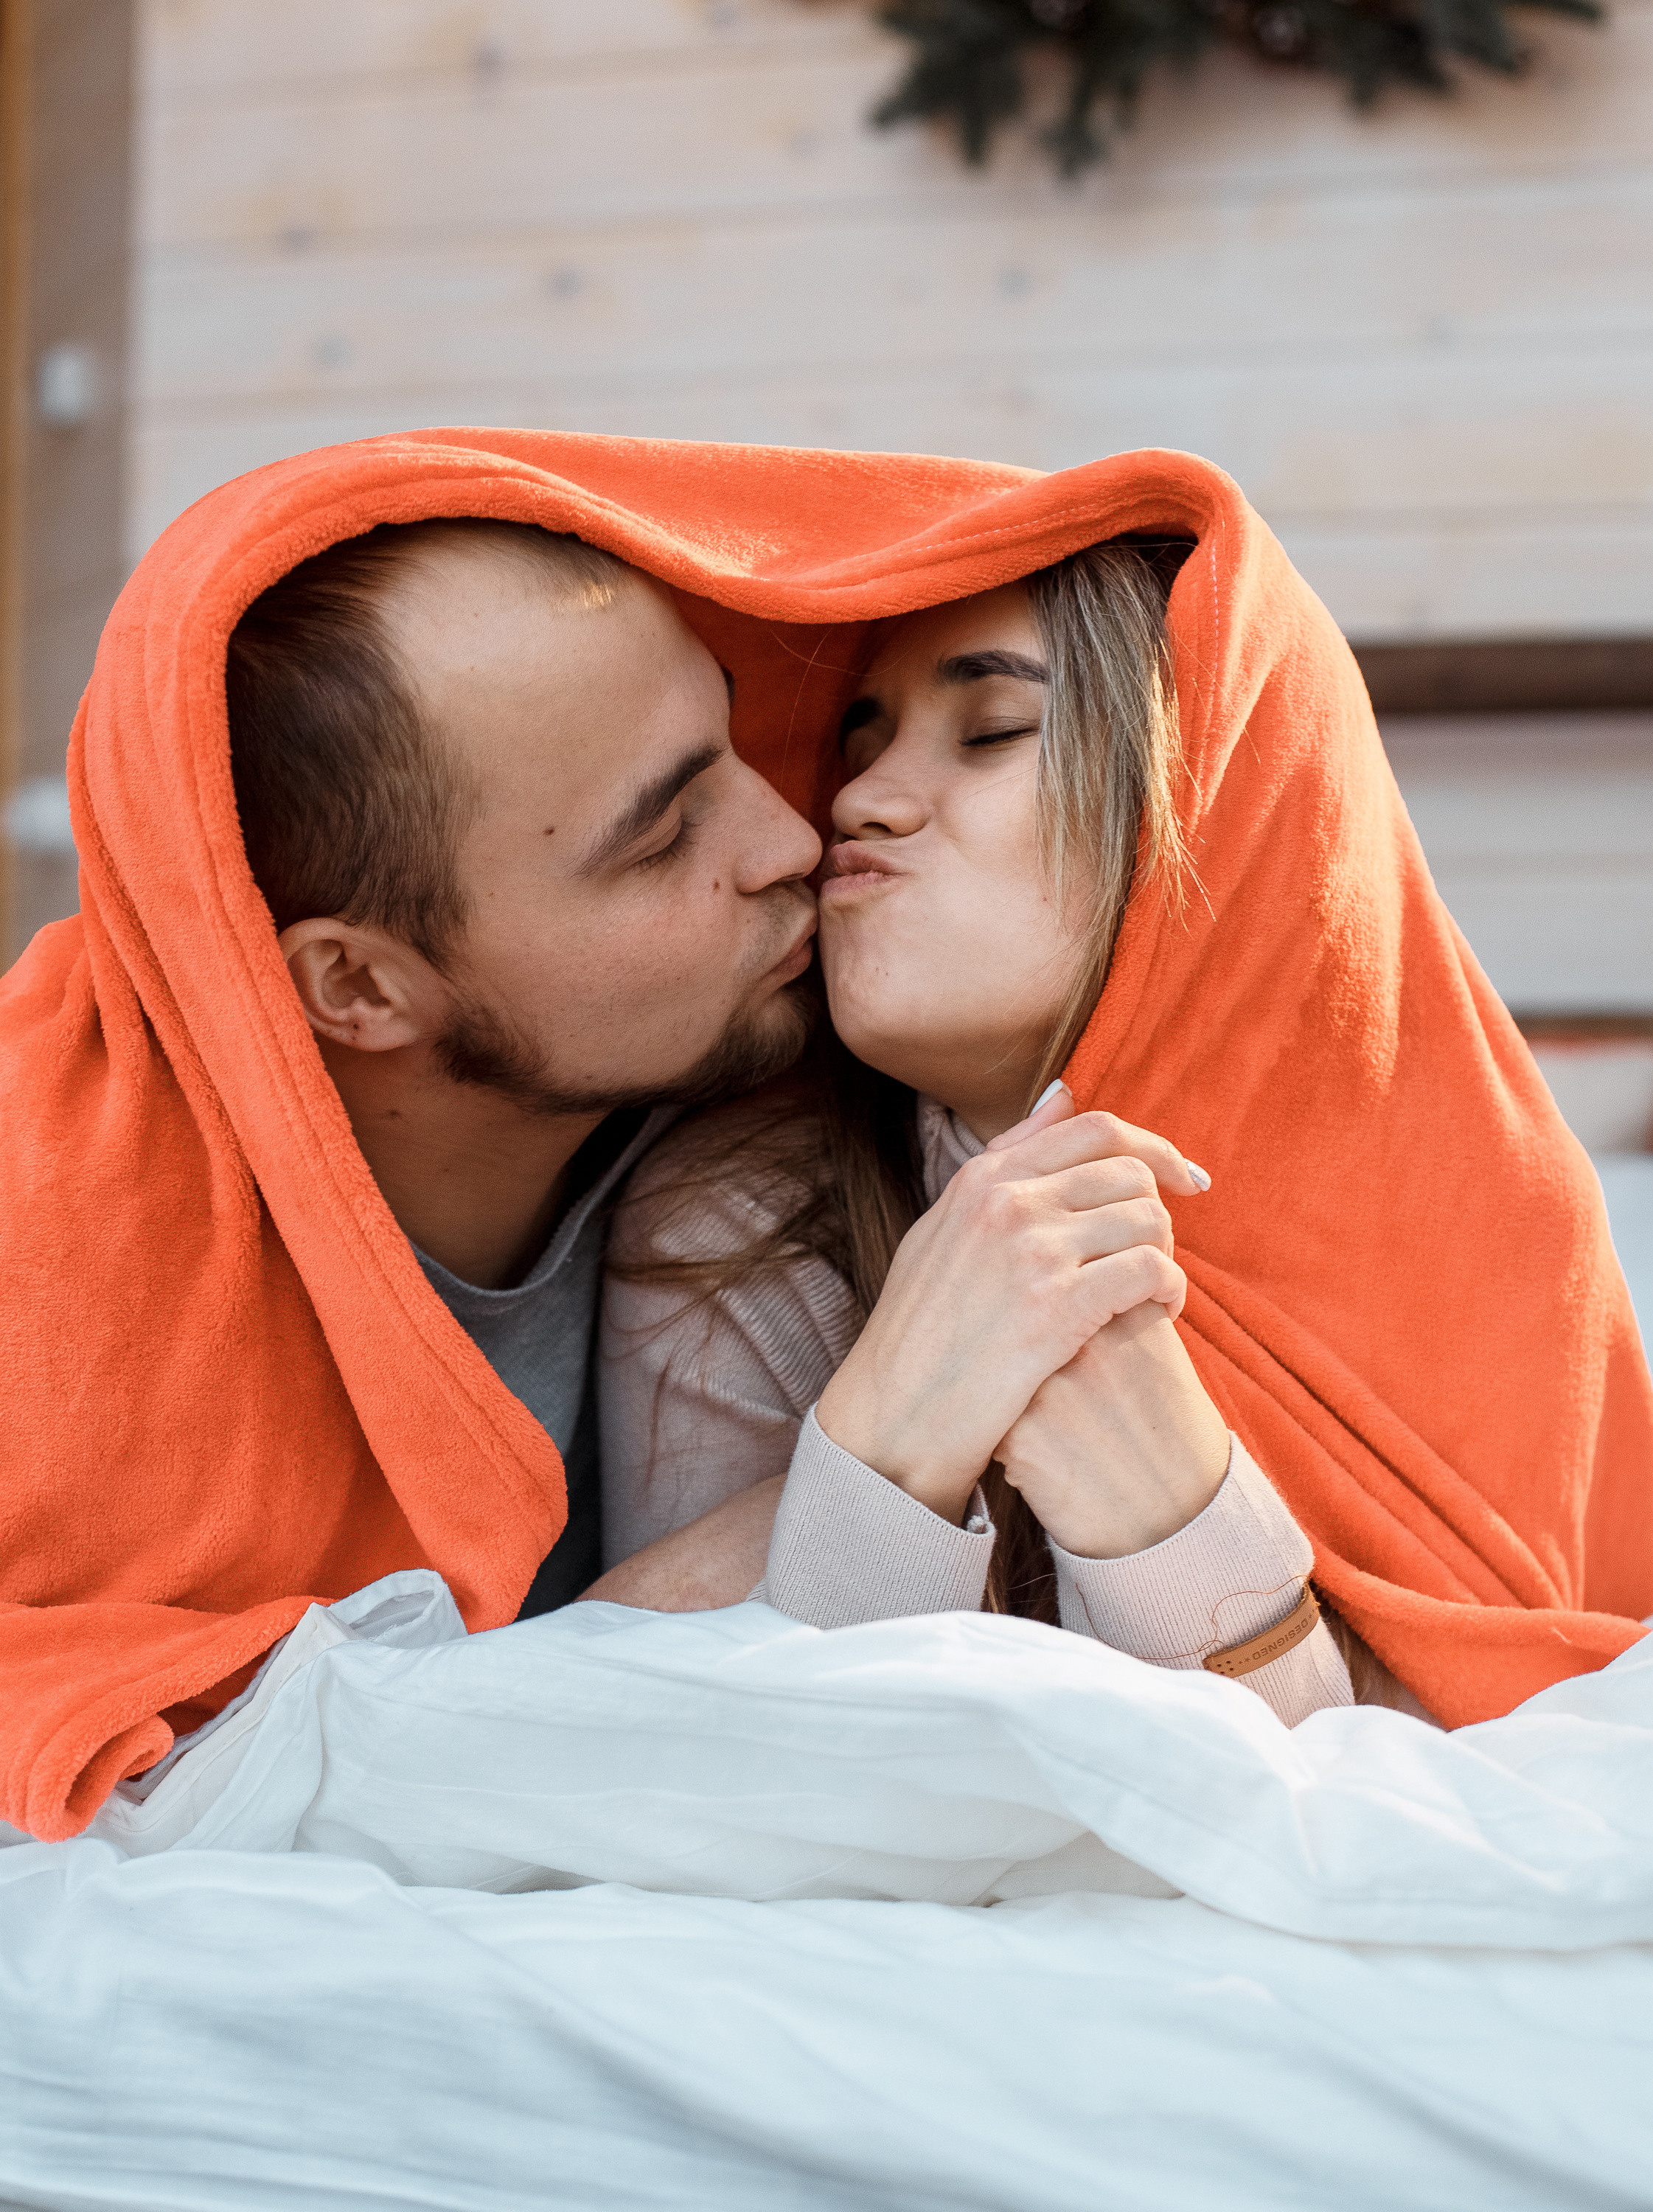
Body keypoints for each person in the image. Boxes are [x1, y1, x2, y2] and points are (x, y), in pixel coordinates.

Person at [598, 542, 1363, 1725]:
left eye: (992, 728)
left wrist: (1163, 1505)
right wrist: (893, 1437)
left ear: (1219, 805)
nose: (856, 799)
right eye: (858, 741)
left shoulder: (1459, 1234)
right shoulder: (741, 1229)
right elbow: (674, 1762)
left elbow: (1372, 1815)